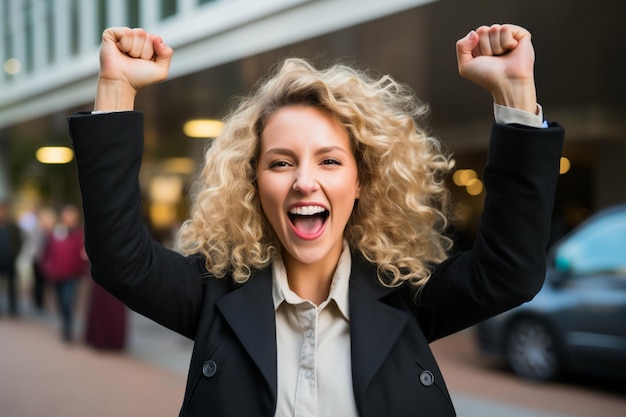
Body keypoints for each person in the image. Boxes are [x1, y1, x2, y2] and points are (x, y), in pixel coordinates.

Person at [68, 24, 565, 416]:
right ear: (253, 182)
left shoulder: (410, 296)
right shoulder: (211, 297)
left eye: (329, 161)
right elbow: (119, 259)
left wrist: (515, 93)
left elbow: (510, 272)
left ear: (361, 181)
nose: (305, 181)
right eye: (281, 163)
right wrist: (116, 87)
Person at [41, 204, 87, 342]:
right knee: (60, 302)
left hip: (71, 274)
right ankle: (64, 324)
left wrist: (83, 268)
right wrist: (47, 267)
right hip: (56, 274)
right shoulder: (56, 232)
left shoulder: (80, 234)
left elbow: (83, 253)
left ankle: (68, 328)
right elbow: (47, 251)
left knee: (68, 301)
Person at [0, 199, 23, 317]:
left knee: (11, 286)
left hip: (10, 261)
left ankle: (13, 309)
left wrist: (14, 254)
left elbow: (19, 241)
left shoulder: (13, 227)